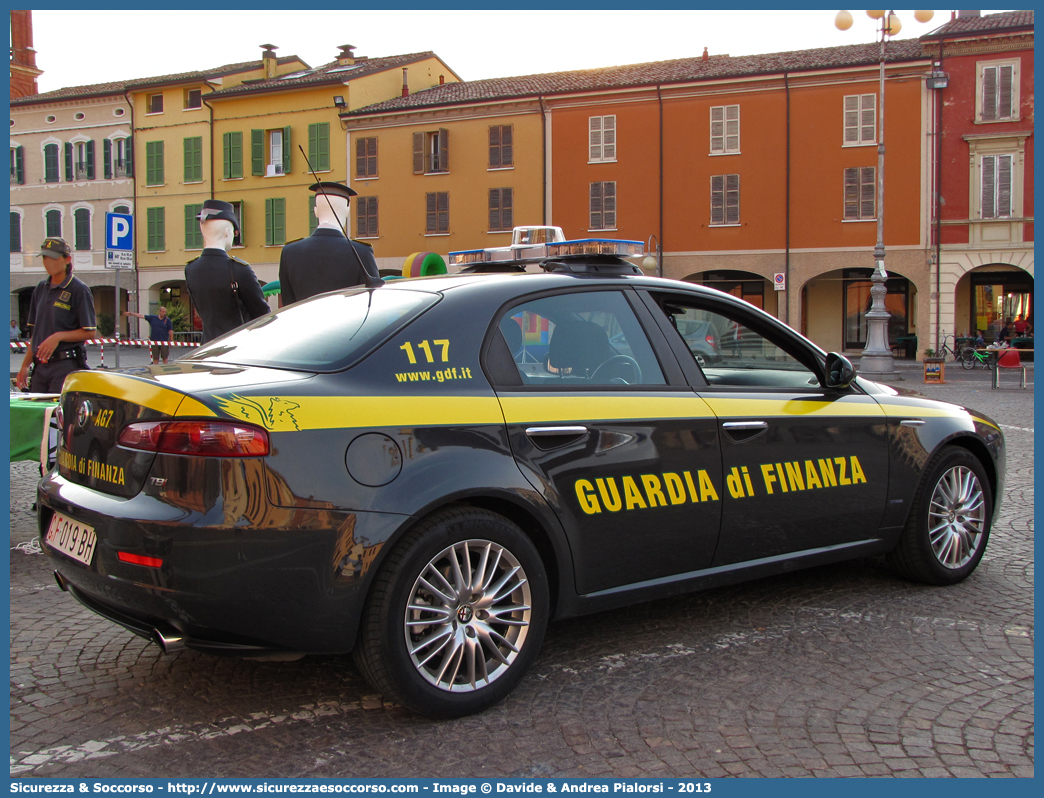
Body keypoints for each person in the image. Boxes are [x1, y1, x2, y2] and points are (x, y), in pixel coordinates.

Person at [278, 181, 382, 306]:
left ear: (315, 211)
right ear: (347, 211)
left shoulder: (289, 252)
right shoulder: (361, 252)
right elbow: (373, 306)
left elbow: (288, 307)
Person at [15, 237, 96, 393]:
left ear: (67, 259)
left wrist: (58, 336)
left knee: (57, 415)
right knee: (37, 414)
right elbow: (36, 333)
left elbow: (90, 331)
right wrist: (25, 365)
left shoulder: (78, 289)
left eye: (53, 258)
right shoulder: (40, 288)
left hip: (64, 366)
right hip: (40, 367)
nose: (48, 262)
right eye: (45, 257)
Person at [184, 200, 269, 343]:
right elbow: (262, 315)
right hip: (238, 349)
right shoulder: (239, 269)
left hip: (207, 348)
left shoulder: (191, 269)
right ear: (228, 232)